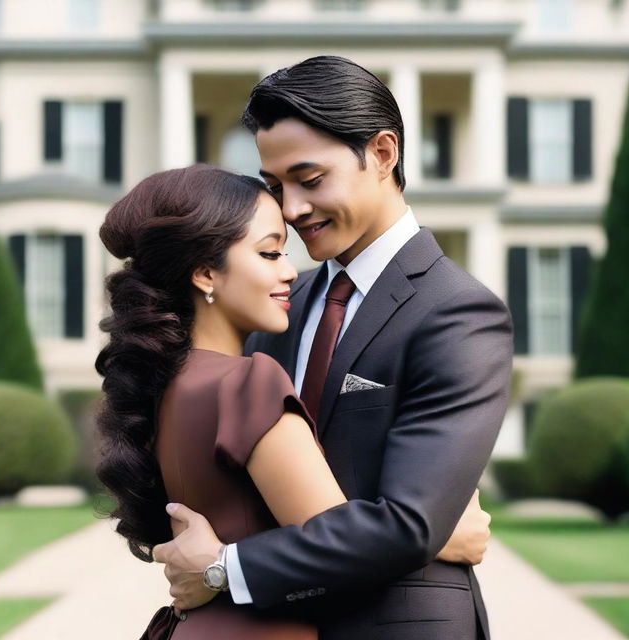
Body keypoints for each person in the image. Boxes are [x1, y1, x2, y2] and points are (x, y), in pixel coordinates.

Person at [153, 56, 513, 640]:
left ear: (383, 154)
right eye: (275, 187)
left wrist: (226, 569)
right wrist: (435, 535)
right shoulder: (277, 309)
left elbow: (407, 524)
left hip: (398, 625)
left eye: (310, 179)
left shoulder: (458, 312)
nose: (291, 209)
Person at [95, 164, 489, 640]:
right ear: (204, 274)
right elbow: (340, 548)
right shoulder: (249, 382)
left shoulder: (167, 385)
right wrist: (439, 536)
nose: (289, 272)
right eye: (269, 253)